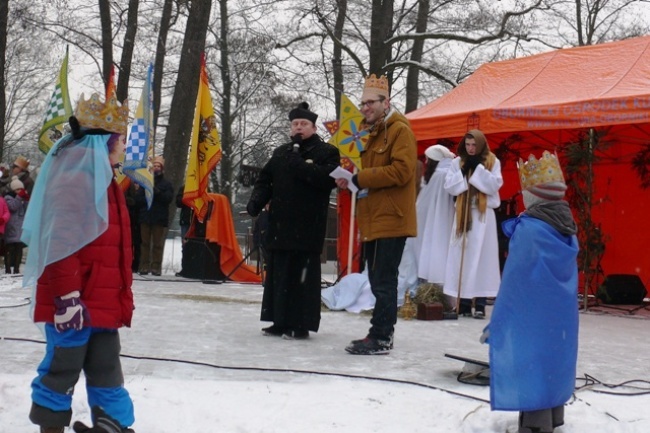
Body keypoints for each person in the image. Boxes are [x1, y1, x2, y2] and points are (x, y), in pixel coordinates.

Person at [22, 88, 136, 432]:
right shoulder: (73, 181)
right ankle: (51, 425)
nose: (123, 148)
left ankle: (112, 424)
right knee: (63, 367)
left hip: (102, 299)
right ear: (105, 142)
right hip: (75, 302)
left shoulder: (107, 182)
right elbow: (59, 245)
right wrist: (67, 298)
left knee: (106, 367)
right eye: (120, 141)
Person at [482, 151, 578, 433]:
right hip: (559, 314)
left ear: (533, 196)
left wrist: (499, 320)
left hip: (532, 313)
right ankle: (554, 416)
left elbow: (515, 280)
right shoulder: (566, 228)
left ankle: (535, 426)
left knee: (531, 359)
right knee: (553, 358)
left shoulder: (531, 230)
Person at [334, 74, 417, 355]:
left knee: (384, 280)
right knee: (378, 278)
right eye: (363, 103)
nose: (365, 108)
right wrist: (353, 179)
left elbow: (402, 171)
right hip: (375, 217)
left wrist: (362, 179)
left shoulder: (399, 131)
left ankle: (381, 337)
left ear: (386, 102)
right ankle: (378, 333)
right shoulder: (374, 131)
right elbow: (374, 175)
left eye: (371, 102)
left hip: (391, 218)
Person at [247, 101, 339, 340]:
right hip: (280, 225)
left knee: (302, 277)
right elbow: (265, 180)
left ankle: (300, 324)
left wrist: (300, 166)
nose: (299, 128)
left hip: (307, 226)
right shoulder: (281, 153)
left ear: (314, 128)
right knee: (278, 274)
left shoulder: (327, 152)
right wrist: (256, 201)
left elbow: (326, 179)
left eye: (304, 124)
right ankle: (278, 321)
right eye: (295, 124)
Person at [443, 129, 502, 318]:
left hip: (484, 215)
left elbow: (494, 185)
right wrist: (462, 171)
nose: (470, 148)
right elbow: (450, 187)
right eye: (467, 144)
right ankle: (465, 302)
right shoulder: (456, 162)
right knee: (464, 258)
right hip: (464, 215)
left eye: (474, 145)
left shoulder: (492, 161)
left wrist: (478, 170)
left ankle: (481, 303)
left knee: (483, 259)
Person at [414, 144, 456, 285]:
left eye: (428, 159)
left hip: (434, 222)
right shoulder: (448, 172)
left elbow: (424, 203)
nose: (426, 163)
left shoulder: (439, 175)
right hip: (443, 220)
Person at [135, 155, 173, 276]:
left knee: (157, 244)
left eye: (158, 166)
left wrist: (156, 193)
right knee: (144, 244)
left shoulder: (167, 184)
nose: (156, 168)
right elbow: (138, 200)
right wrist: (147, 197)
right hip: (145, 217)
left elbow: (168, 199)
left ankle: (156, 267)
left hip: (159, 218)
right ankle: (144, 266)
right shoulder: (145, 182)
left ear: (162, 169)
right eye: (155, 166)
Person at [4, 176, 29, 274]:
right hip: (11, 227)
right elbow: (13, 207)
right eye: (18, 189)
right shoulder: (8, 198)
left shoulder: (21, 199)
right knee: (10, 248)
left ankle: (16, 268)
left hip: (20, 227)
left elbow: (27, 209)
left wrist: (26, 200)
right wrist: (19, 197)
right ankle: (8, 268)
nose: (20, 191)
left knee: (19, 249)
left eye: (21, 189)